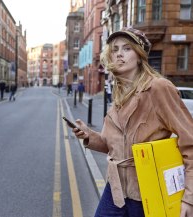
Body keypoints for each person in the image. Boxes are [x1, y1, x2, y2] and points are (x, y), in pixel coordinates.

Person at [71, 27, 193, 217]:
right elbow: (113, 146)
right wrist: (88, 135)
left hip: (147, 190)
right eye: (115, 49)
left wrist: (189, 198)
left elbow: (190, 143)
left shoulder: (158, 88)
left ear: (139, 55)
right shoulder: (119, 94)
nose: (119, 53)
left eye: (127, 48)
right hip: (116, 189)